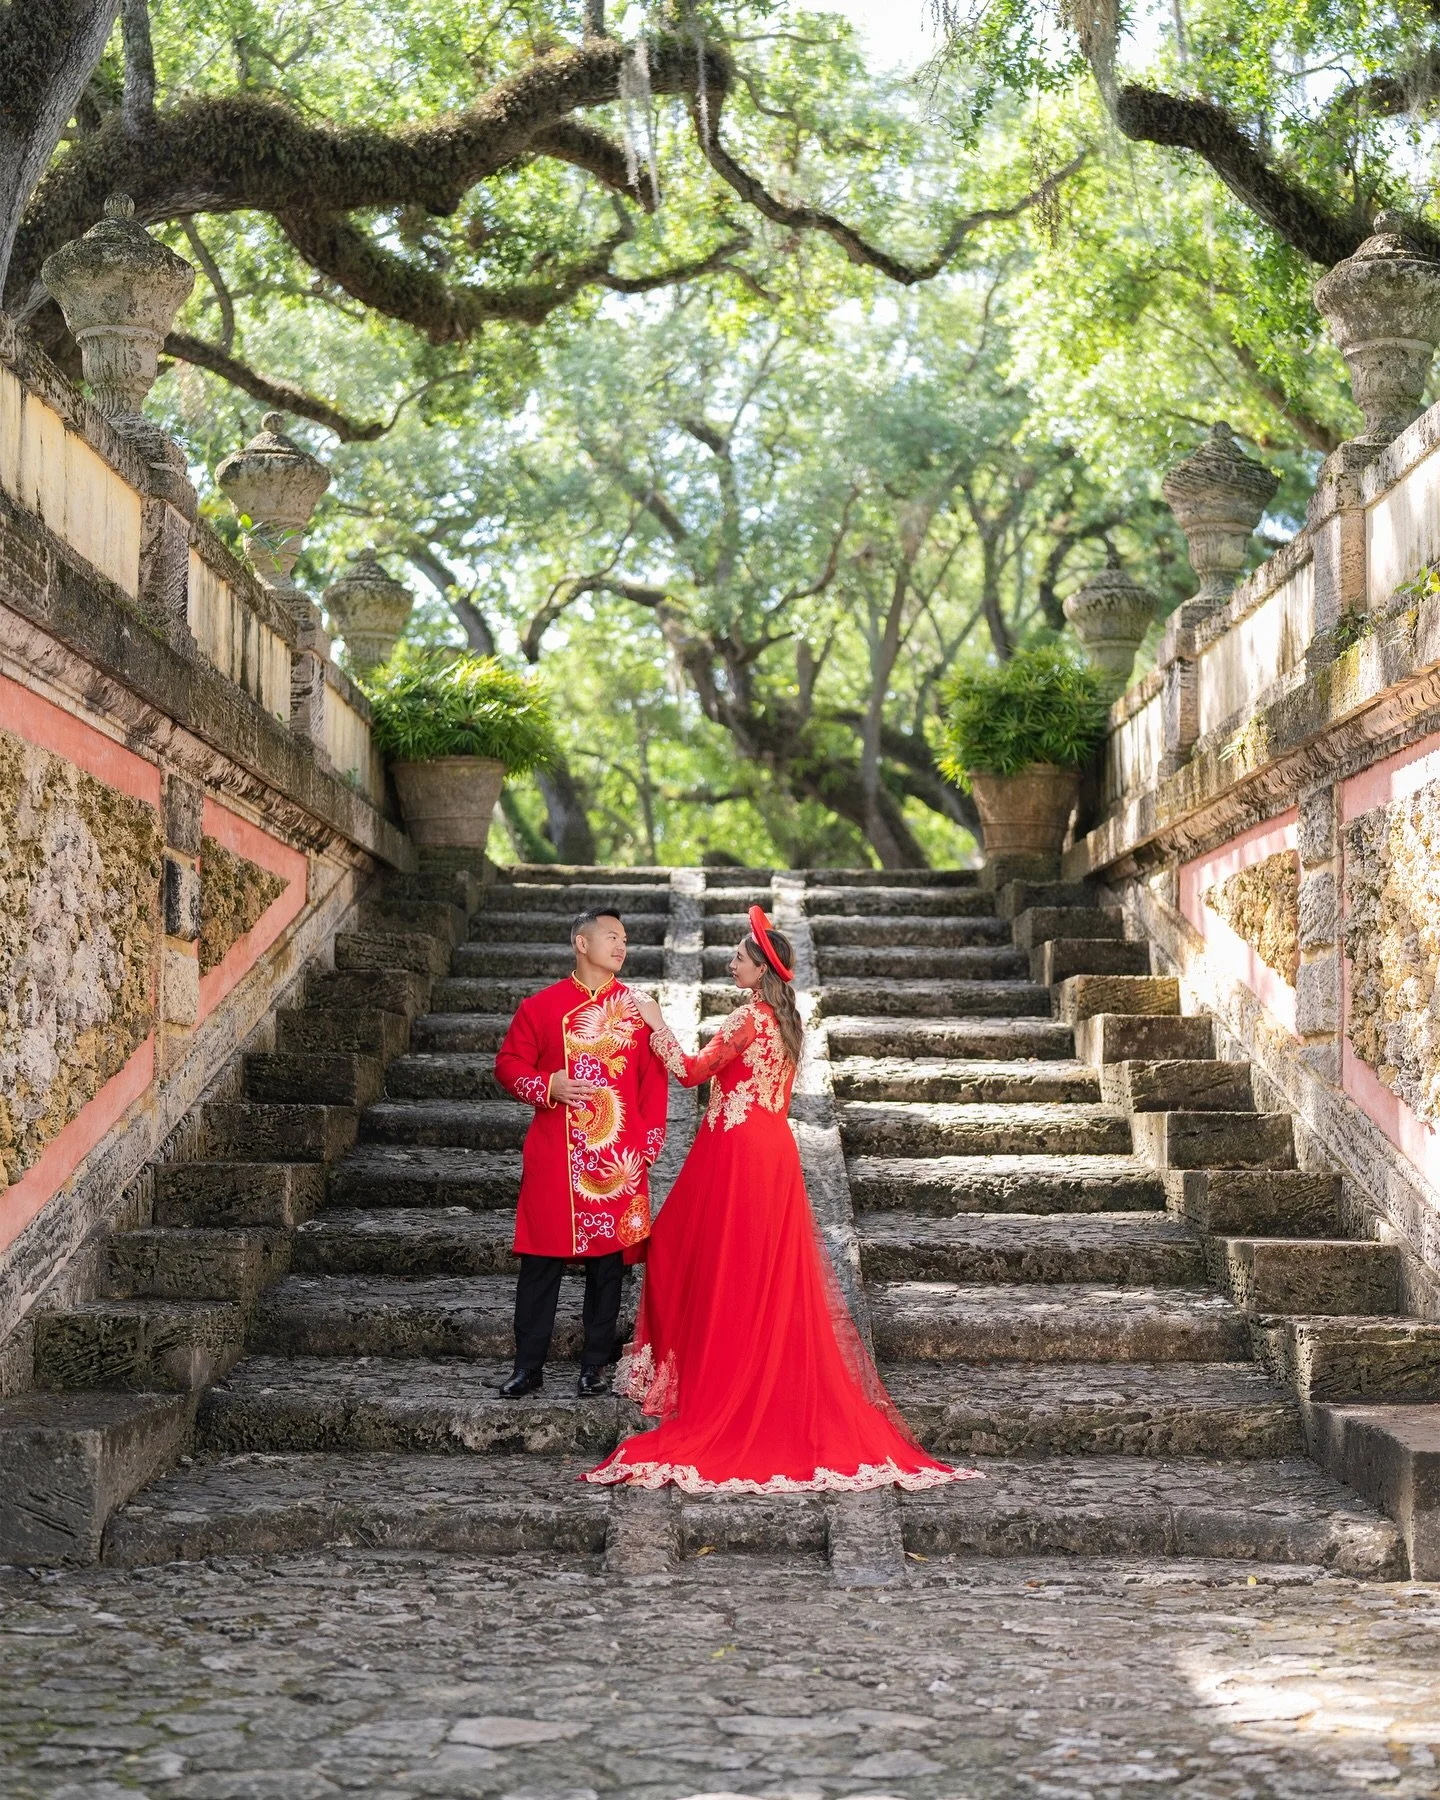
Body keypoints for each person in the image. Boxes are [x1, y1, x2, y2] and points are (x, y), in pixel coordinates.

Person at [584, 905, 975, 1494]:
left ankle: (704, 1379)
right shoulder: (787, 1024)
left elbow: (690, 1072)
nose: (730, 962)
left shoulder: (746, 1018)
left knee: (692, 1256)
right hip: (770, 1153)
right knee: (750, 1270)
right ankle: (727, 1368)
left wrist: (655, 1020)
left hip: (736, 1154)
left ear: (761, 967)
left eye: (738, 956)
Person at [492, 908, 668, 1398]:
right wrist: (549, 1083)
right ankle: (528, 1367)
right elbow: (507, 1065)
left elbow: (654, 1086)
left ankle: (594, 1365)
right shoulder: (541, 1007)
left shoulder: (639, 1011)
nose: (621, 945)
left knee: (608, 1267)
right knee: (539, 1264)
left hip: (617, 1162)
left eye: (625, 938)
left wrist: (647, 1149)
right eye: (611, 936)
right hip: (554, 1157)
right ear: (581, 943)